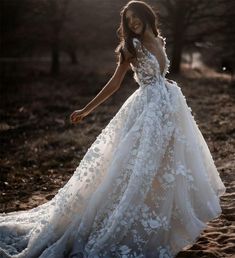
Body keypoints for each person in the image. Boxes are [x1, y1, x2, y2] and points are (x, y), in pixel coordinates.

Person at [0, 1, 226, 257]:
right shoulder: (132, 47)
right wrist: (86, 110)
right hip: (146, 112)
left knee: (165, 167)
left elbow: (159, 74)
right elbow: (115, 83)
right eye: (128, 20)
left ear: (146, 15)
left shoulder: (160, 41)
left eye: (135, 17)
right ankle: (125, 220)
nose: (132, 23)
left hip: (168, 108)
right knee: (137, 167)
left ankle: (158, 221)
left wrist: (165, 86)